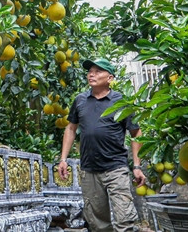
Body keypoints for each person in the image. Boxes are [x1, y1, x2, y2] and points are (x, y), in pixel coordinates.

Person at [57, 58, 147, 232]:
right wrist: (63, 159)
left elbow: (136, 132)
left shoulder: (121, 101)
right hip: (90, 170)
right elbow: (70, 128)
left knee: (124, 220)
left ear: (110, 78)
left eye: (98, 71)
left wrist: (136, 165)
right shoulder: (80, 100)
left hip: (116, 168)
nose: (92, 74)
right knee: (98, 224)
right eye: (90, 71)